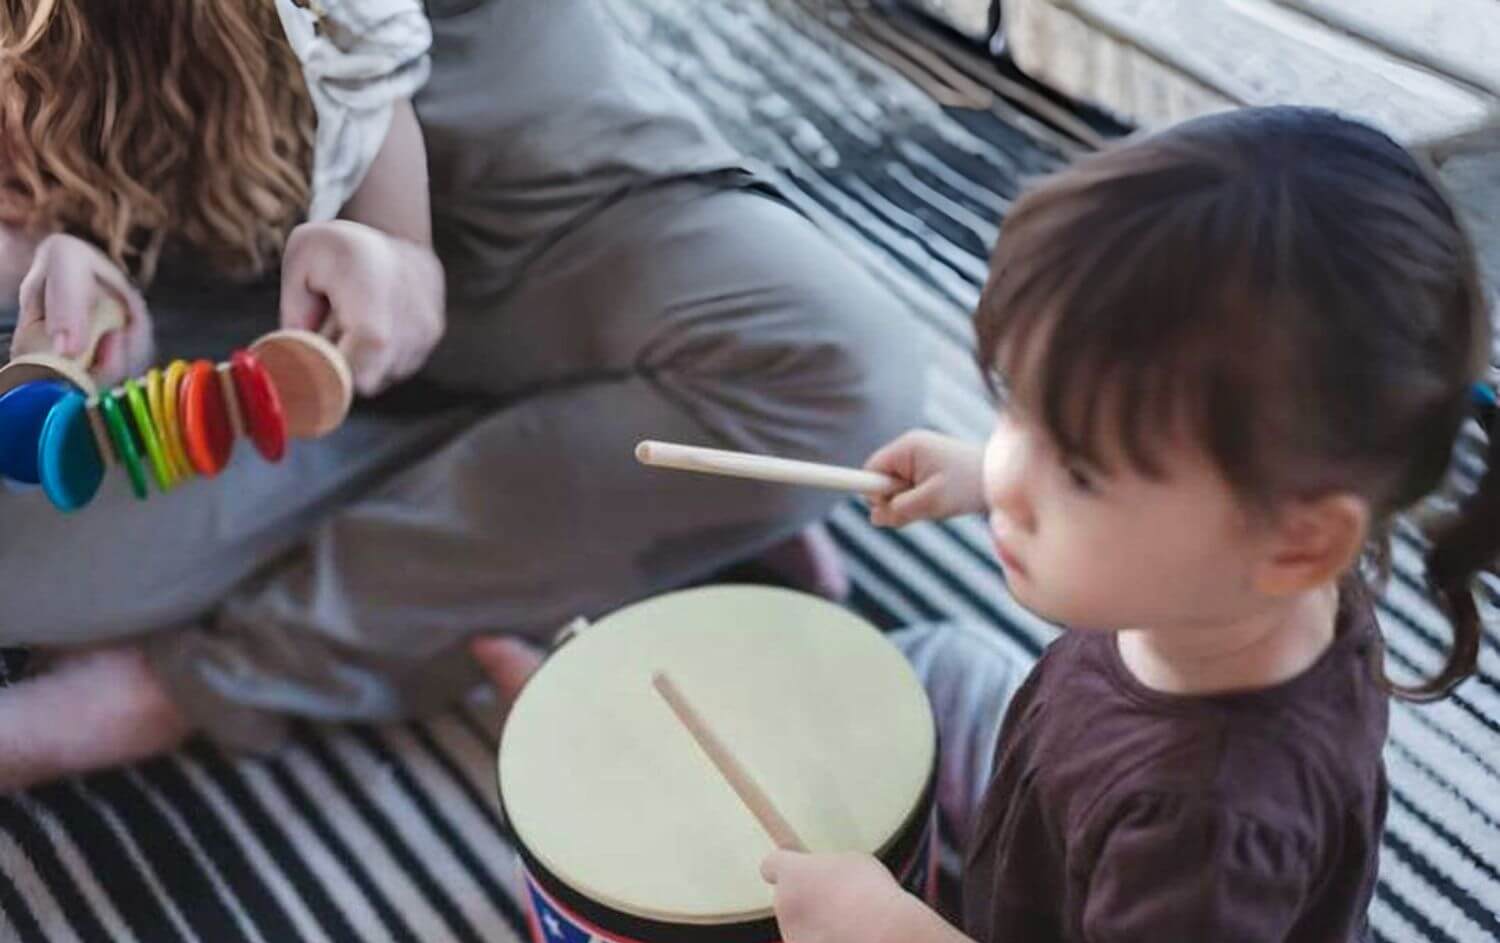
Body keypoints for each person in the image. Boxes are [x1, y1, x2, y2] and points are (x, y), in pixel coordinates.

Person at [320, 107, 1497, 943]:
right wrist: (986, 470)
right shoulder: (1257, 572)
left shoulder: (1220, 816)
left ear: (1295, 538)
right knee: (928, 663)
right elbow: (1119, 495)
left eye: (1075, 468)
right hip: (1061, 851)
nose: (1021, 476)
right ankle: (625, 697)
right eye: (1025, 413)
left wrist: (888, 935)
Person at [0, 0, 920, 788]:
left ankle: (201, 679)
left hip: (520, 177)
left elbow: (380, 115)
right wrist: (62, 265)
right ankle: (605, 490)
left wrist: (393, 244)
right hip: (231, 283)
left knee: (842, 375)